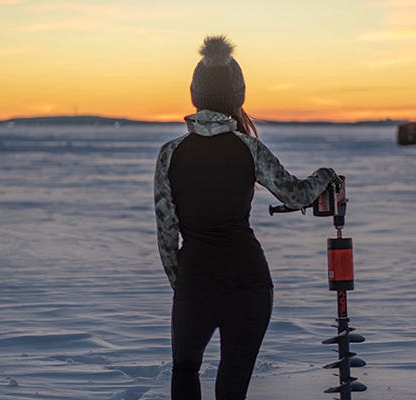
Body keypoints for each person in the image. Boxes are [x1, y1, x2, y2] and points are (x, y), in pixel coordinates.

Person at [154, 35, 339, 400]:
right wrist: (325, 175)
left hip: (196, 282)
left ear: (195, 95)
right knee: (233, 383)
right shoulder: (249, 148)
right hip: (249, 284)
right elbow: (295, 194)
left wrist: (186, 284)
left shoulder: (170, 154)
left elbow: (166, 235)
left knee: (185, 370)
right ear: (237, 97)